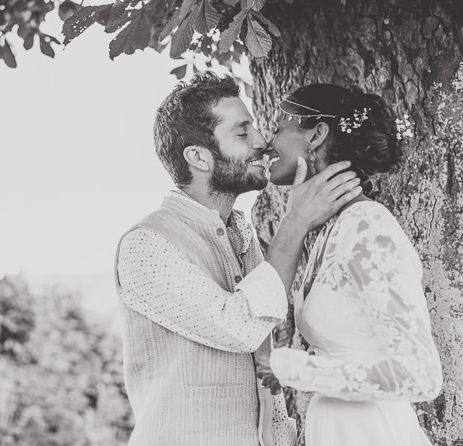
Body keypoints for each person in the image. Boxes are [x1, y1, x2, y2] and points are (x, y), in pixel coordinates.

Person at [114, 73, 362, 446]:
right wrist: (294, 223)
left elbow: (261, 374)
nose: (263, 143)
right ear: (198, 157)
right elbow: (241, 326)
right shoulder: (146, 245)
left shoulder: (242, 237)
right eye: (242, 134)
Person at [257, 84, 444, 445]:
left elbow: (421, 374)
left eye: (280, 125)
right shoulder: (333, 229)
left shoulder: (367, 227)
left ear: (317, 134)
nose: (270, 139)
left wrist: (291, 367)